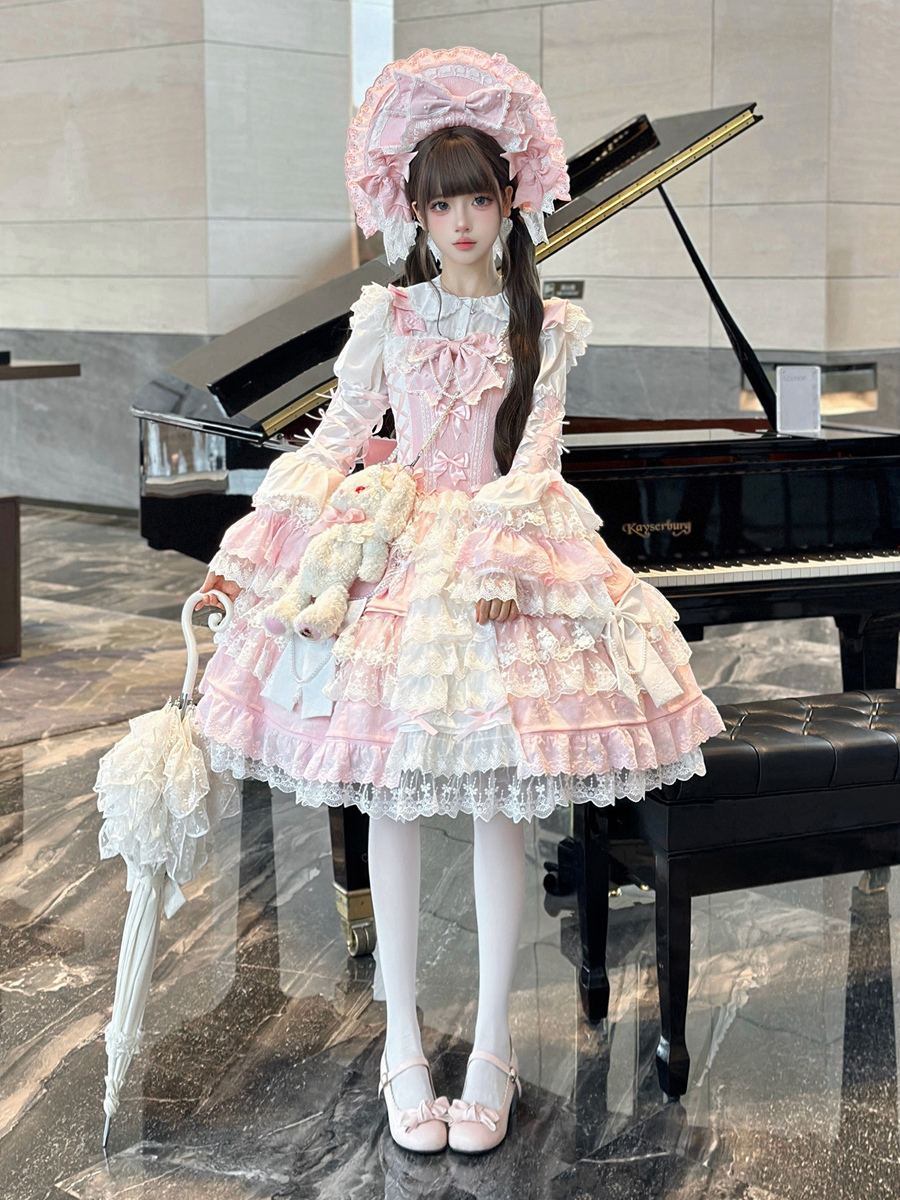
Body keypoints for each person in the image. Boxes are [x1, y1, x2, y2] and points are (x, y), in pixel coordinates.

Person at [192, 46, 725, 1155]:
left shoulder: (547, 324)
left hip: (499, 557)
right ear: (417, 213)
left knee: (500, 804)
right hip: (394, 550)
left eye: (477, 198)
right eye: (441, 204)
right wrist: (259, 547)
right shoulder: (389, 315)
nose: (461, 221)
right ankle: (400, 1045)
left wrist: (498, 563)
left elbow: (535, 462)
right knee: (386, 795)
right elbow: (339, 439)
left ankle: (491, 1047)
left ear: (507, 200)